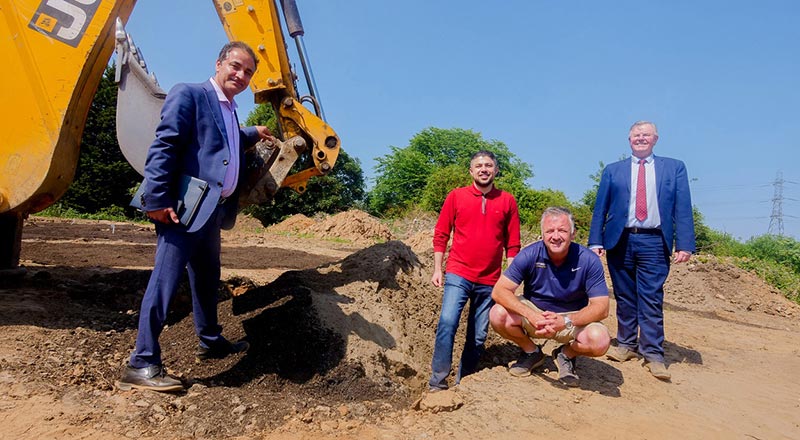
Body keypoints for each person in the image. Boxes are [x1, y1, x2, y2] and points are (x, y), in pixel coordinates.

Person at [118, 41, 272, 392]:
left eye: (248, 72)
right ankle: (141, 363)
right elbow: (165, 145)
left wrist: (253, 134)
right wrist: (156, 200)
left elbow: (223, 141)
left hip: (212, 211)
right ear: (219, 63)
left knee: (207, 279)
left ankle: (210, 339)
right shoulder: (189, 94)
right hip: (182, 210)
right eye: (235, 66)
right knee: (165, 282)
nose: (241, 75)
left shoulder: (229, 109)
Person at [588, 120, 695, 381]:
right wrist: (595, 240)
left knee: (651, 297)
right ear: (629, 140)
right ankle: (626, 345)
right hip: (620, 239)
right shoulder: (614, 171)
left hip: (654, 241)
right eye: (636, 135)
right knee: (624, 296)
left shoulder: (674, 168)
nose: (641, 139)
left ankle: (653, 353)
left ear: (655, 139)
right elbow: (600, 206)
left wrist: (684, 244)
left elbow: (683, 207)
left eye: (646, 135)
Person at [428, 150, 521, 391]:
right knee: (447, 322)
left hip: (490, 280)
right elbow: (441, 234)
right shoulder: (456, 197)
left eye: (488, 165)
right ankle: (437, 382)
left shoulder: (507, 201)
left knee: (478, 335)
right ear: (471, 171)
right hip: (458, 273)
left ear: (496, 170)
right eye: (479, 165)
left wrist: (510, 281)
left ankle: (464, 382)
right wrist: (438, 269)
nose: (483, 169)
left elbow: (513, 244)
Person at [490, 207, 610, 387]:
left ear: (573, 233)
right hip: (536, 314)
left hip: (572, 318)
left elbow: (602, 308)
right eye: (550, 231)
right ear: (542, 234)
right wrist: (531, 315)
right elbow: (499, 291)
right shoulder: (530, 254)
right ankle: (531, 352)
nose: (555, 236)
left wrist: (566, 320)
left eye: (562, 230)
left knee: (599, 340)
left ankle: (566, 354)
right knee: (497, 313)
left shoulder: (589, 260)